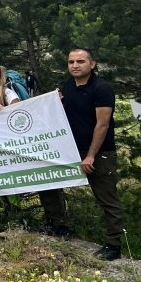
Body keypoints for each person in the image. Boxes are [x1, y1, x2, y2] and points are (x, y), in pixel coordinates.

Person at [39, 49, 125, 261]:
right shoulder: (68, 85)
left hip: (99, 152)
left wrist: (91, 156)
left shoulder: (102, 88)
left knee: (107, 197)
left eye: (80, 61)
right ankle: (57, 225)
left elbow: (102, 125)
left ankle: (113, 245)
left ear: (92, 64)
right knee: (47, 180)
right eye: (71, 62)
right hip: (70, 149)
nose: (75, 65)